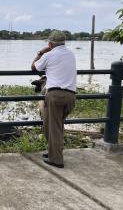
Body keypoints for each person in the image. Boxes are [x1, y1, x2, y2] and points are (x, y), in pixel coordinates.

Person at [31, 30, 76, 168]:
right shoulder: (71, 54)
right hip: (71, 96)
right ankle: (53, 152)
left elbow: (34, 67)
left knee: (53, 128)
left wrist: (40, 53)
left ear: (50, 44)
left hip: (55, 95)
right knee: (56, 126)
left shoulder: (49, 55)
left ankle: (56, 159)